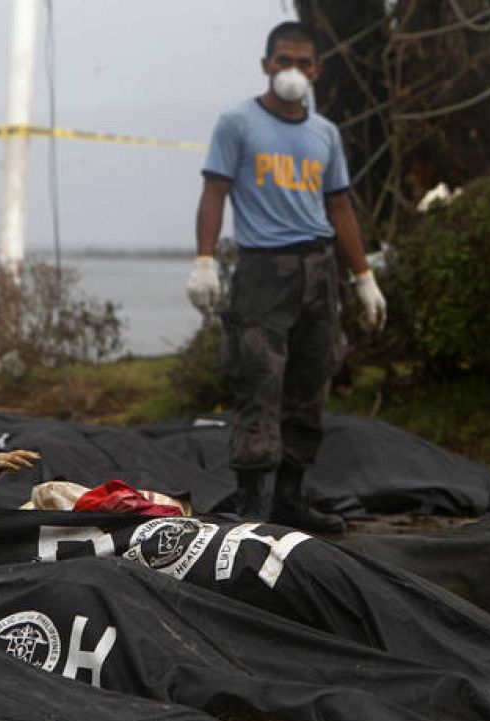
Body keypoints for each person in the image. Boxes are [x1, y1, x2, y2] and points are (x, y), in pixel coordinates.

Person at [186, 21, 386, 534]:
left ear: (316, 70)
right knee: (258, 379)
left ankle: (291, 498)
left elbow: (339, 207)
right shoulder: (238, 123)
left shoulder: (325, 134)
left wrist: (363, 276)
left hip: (318, 268)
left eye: (303, 63)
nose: (292, 71)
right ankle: (253, 502)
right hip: (262, 269)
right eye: (283, 61)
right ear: (266, 65)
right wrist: (204, 260)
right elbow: (215, 191)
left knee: (311, 379)